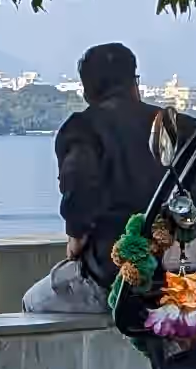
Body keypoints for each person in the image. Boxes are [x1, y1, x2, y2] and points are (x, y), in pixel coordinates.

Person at [32, 41, 168, 315]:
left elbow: (79, 182)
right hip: (179, 278)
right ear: (134, 82)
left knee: (33, 302)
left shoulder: (82, 128)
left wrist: (76, 236)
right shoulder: (176, 124)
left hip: (111, 276)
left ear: (86, 90)